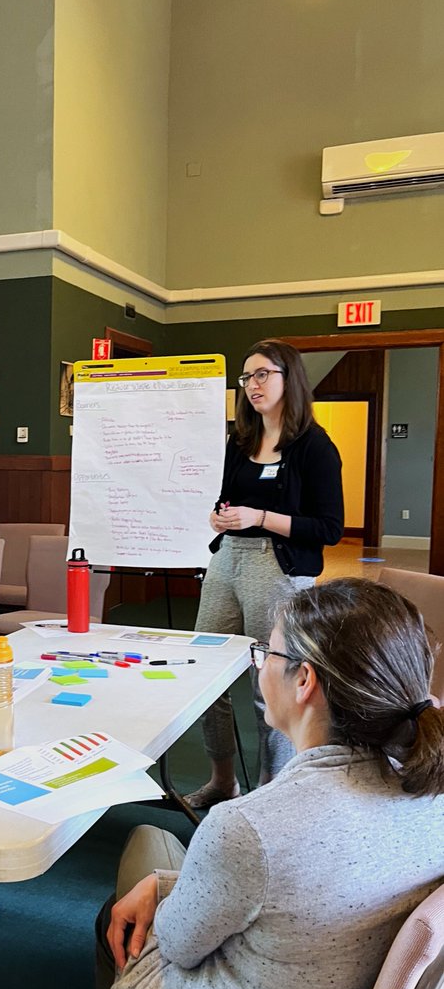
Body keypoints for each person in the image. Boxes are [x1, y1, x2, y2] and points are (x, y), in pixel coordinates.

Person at [98, 578, 444, 989]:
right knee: (162, 876)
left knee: (141, 856)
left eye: (268, 651)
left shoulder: (249, 828)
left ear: (304, 680)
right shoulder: (431, 792)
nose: (261, 666)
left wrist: (165, 884)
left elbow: (182, 948)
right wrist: (172, 884)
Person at [189, 338, 344, 807]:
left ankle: (270, 792)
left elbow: (330, 528)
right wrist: (222, 516)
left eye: (262, 375)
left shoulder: (314, 447)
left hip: (279, 569)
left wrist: (260, 518)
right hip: (228, 559)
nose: (252, 385)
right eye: (246, 377)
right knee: (205, 675)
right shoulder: (240, 441)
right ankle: (223, 781)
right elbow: (226, 500)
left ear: (288, 379)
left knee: (269, 684)